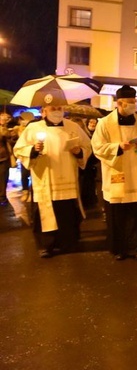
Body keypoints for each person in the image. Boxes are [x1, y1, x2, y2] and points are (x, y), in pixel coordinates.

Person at [14, 104, 92, 257]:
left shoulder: (73, 127)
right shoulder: (34, 128)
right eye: (53, 108)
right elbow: (19, 149)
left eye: (59, 108)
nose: (57, 111)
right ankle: (46, 245)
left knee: (66, 212)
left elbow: (87, 146)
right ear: (44, 112)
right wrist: (33, 150)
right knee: (45, 212)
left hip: (67, 177)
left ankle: (68, 242)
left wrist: (79, 152)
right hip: (44, 177)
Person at [92, 85, 137, 261]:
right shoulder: (104, 123)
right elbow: (97, 147)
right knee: (117, 216)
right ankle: (119, 248)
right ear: (119, 103)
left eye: (134, 102)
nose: (133, 105)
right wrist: (118, 147)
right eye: (129, 103)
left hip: (136, 175)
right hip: (116, 173)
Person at [79, 117, 100, 209]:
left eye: (94, 122)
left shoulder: (97, 135)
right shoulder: (85, 134)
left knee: (89, 184)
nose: (92, 124)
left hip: (91, 164)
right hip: (83, 163)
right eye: (90, 122)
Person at [0, 112, 16, 206]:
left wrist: (4, 126)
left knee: (3, 179)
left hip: (3, 158)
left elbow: (10, 138)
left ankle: (2, 198)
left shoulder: (5, 129)